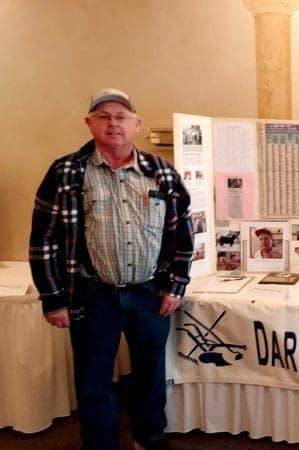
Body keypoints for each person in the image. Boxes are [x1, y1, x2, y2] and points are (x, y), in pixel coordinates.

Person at [29, 88, 193, 450]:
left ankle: (149, 437)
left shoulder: (161, 173)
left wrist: (176, 285)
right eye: (103, 116)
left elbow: (183, 231)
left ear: (136, 124)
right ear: (89, 124)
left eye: (121, 116)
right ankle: (101, 444)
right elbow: (43, 240)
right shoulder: (66, 171)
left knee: (150, 374)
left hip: (150, 293)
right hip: (91, 294)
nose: (113, 123)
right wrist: (53, 299)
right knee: (94, 380)